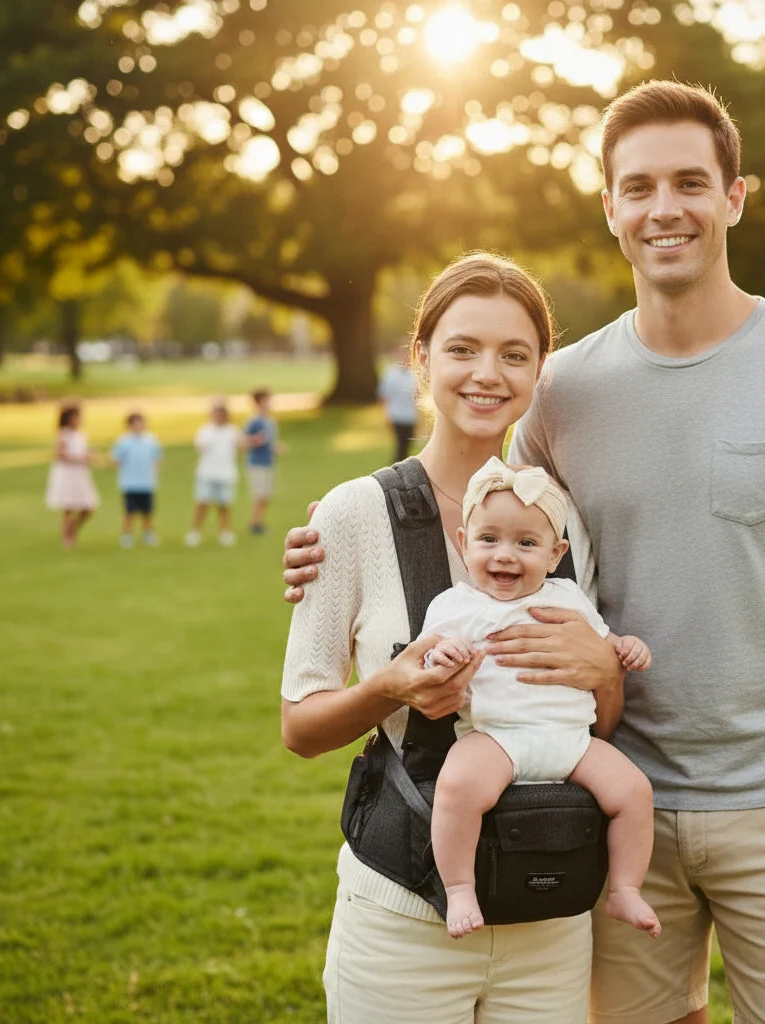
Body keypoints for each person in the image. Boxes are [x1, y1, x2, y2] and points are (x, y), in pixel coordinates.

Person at [283, 80, 765, 1024]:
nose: (667, 208)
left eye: (691, 182)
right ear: (610, 206)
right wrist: (328, 538)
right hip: (606, 802)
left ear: (734, 197)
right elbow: (485, 523)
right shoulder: (563, 394)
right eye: (641, 186)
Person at [280, 253, 625, 1023]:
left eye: (514, 355)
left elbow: (597, 723)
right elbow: (300, 728)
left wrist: (606, 671)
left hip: (550, 912)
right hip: (402, 917)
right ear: (422, 357)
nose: (486, 374)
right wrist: (386, 689)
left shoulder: (560, 523)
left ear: (540, 372)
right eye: (462, 348)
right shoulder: (350, 515)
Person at [423, 456, 659, 940]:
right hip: (495, 738)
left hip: (571, 739)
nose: (505, 555)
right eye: (488, 540)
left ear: (555, 554)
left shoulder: (568, 596)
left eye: (526, 543)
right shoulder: (455, 607)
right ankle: (461, 887)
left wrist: (626, 647)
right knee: (456, 789)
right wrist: (442, 656)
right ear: (464, 544)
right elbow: (425, 661)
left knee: (634, 792)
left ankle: (625, 889)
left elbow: (604, 645)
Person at [184, 399, 241, 547]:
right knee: (202, 503)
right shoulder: (205, 430)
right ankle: (194, 532)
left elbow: (239, 449)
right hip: (207, 473)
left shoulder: (232, 431)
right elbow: (200, 446)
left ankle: (225, 532)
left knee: (224, 505)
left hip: (226, 473)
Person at [45, 402, 99, 549]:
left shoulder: (81, 434)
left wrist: (89, 456)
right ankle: (67, 539)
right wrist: (82, 458)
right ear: (68, 418)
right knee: (68, 508)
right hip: (67, 474)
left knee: (88, 507)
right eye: (76, 417)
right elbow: (59, 455)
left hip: (80, 474)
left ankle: (71, 532)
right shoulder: (63, 434)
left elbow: (83, 451)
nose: (79, 419)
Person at [109, 411, 162, 548]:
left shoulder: (151, 440)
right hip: (130, 482)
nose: (138, 426)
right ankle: (127, 534)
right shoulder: (124, 441)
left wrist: (154, 474)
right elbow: (115, 459)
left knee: (147, 511)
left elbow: (156, 459)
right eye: (135, 423)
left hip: (147, 482)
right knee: (129, 511)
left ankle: (148, 533)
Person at [243, 388, 282, 535]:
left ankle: (259, 522)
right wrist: (255, 440)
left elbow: (270, 442)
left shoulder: (270, 422)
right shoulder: (254, 422)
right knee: (259, 494)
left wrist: (276, 448)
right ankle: (255, 524)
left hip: (268, 462)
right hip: (257, 463)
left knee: (267, 495)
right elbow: (244, 441)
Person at [377, 342, 419, 462]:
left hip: (410, 416)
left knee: (406, 445)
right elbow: (384, 395)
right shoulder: (390, 373)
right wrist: (386, 415)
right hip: (396, 415)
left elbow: (417, 396)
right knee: (400, 445)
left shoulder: (414, 374)